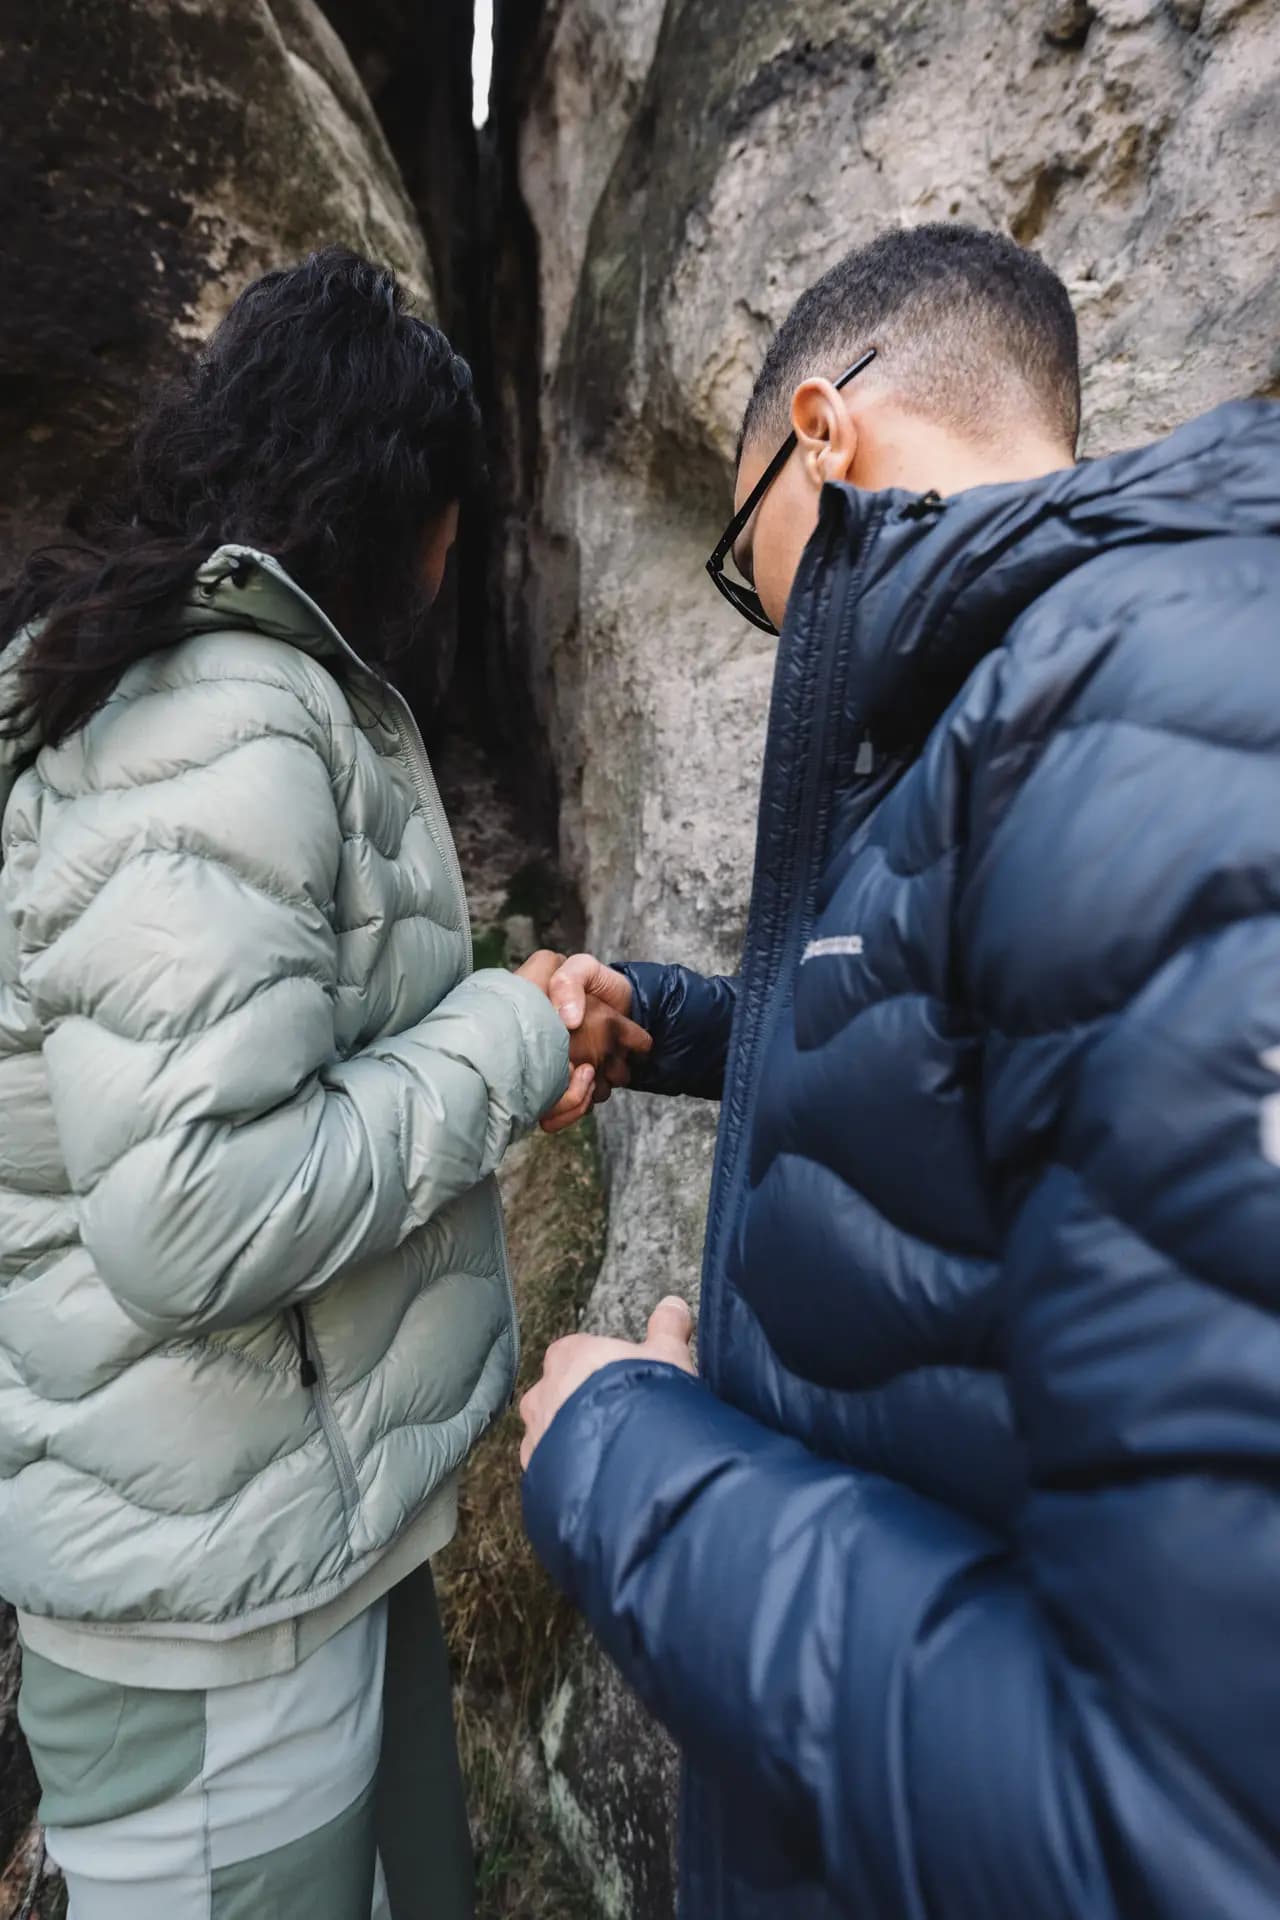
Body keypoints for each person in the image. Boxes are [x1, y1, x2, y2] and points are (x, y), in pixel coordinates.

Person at [519, 223, 1280, 1918]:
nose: (760, 616)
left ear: (823, 433)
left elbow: (1193, 1820)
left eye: (743, 564)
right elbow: (944, 1043)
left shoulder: (1151, 714)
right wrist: (664, 1018)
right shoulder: (1013, 711)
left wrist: (623, 1456)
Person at [0, 247, 646, 1920]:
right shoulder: (211, 718)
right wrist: (506, 1042)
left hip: (284, 1542)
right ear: (396, 502)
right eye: (454, 512)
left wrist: (505, 1036)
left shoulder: (224, 692)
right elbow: (193, 1208)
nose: (457, 558)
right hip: (215, 1618)